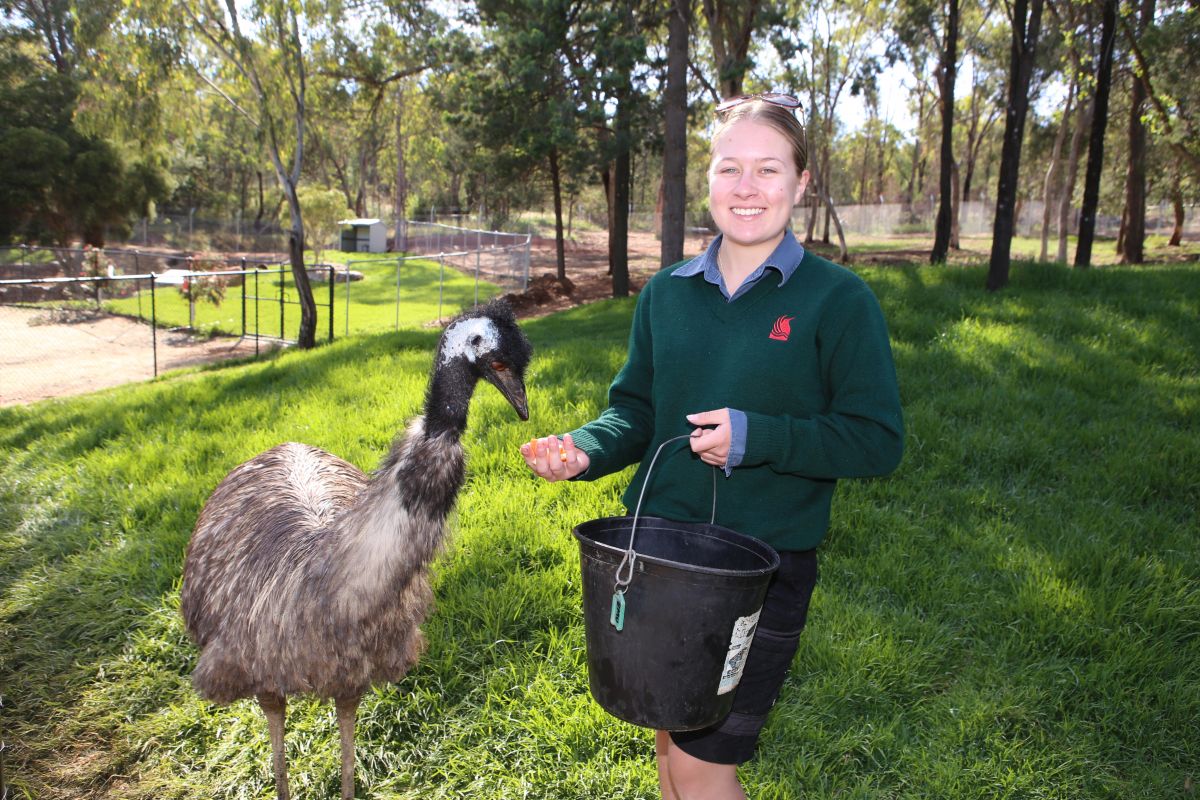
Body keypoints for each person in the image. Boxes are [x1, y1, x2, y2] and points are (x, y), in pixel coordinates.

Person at [520, 93, 904, 800]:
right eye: (731, 169)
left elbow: (877, 440)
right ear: (708, 181)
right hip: (659, 556)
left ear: (801, 182)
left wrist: (757, 437)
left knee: (701, 767)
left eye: (768, 169)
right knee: (670, 744)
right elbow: (635, 412)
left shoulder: (838, 301)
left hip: (758, 568)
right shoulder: (666, 295)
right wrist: (583, 449)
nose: (747, 188)